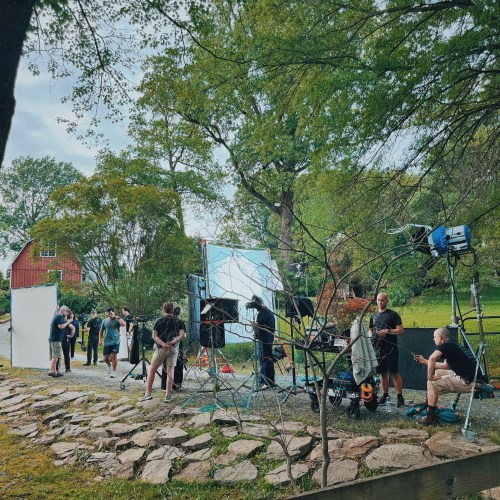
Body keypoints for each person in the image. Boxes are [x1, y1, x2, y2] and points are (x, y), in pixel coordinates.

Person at [415, 327, 485, 425]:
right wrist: (424, 361)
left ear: (440, 337)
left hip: (471, 382)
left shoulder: (446, 345)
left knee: (431, 382)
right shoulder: (453, 344)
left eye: (435, 337)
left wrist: (430, 376)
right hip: (475, 378)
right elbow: (445, 366)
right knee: (438, 372)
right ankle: (429, 404)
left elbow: (432, 358)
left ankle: (430, 417)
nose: (433, 339)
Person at [139, 301, 186, 403]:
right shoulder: (179, 321)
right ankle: (168, 395)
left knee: (152, 369)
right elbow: (182, 335)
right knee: (170, 371)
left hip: (161, 349)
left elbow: (154, 336)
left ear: (163, 309)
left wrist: (164, 344)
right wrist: (172, 342)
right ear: (173, 310)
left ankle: (148, 393)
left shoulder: (159, 321)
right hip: (173, 349)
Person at [368, 292, 405, 407]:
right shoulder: (374, 315)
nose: (380, 302)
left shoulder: (393, 315)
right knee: (383, 373)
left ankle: (400, 397)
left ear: (387, 301)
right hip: (378, 349)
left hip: (391, 348)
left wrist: (387, 331)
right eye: (378, 300)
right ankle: (385, 395)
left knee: (394, 372)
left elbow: (400, 330)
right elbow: (370, 329)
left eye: (382, 300)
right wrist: (371, 337)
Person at [251, 295, 276, 389]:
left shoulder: (264, 313)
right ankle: (264, 380)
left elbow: (262, 326)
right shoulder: (266, 312)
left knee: (265, 359)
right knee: (264, 359)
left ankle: (268, 382)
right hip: (266, 339)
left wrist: (255, 325)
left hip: (265, 339)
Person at [99, 307, 126, 378]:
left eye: (111, 313)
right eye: (108, 313)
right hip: (107, 342)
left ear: (114, 312)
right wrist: (100, 340)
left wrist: (118, 318)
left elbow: (124, 324)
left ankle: (114, 372)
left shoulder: (117, 320)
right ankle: (109, 365)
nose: (109, 315)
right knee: (105, 358)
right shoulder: (104, 321)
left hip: (115, 341)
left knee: (114, 355)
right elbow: (101, 331)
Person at [48, 305, 73, 377]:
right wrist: (69, 321)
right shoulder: (59, 317)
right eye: (66, 311)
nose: (67, 313)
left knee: (56, 356)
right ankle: (51, 371)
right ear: (62, 310)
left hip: (55, 339)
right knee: (56, 356)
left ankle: (55, 371)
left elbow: (61, 321)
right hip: (56, 340)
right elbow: (61, 326)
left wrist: (69, 320)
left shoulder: (58, 316)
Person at [172, 306, 187, 390]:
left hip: (167, 345)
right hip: (178, 346)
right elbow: (184, 336)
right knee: (178, 365)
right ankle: (177, 385)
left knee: (168, 366)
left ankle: (166, 386)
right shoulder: (180, 322)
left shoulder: (166, 320)